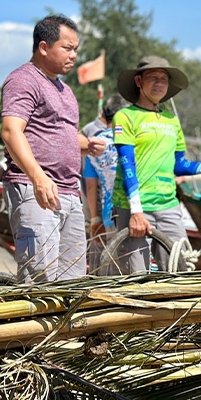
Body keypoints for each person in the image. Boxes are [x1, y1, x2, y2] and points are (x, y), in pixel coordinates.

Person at [112, 56, 201, 273]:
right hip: (133, 207)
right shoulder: (125, 116)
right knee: (136, 277)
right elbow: (128, 166)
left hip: (168, 205)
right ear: (138, 81)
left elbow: (181, 166)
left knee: (179, 270)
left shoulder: (172, 121)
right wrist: (136, 212)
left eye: (163, 79)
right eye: (152, 78)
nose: (159, 83)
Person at [0, 14, 107, 282]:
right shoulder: (24, 80)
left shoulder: (66, 91)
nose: (74, 55)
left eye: (76, 49)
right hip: (37, 190)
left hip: (70, 194)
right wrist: (38, 177)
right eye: (67, 48)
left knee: (72, 284)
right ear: (44, 47)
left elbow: (64, 133)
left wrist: (86, 144)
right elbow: (11, 132)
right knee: (40, 281)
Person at [82, 94, 129, 273]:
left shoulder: (94, 143)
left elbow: (91, 185)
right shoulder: (129, 140)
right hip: (135, 209)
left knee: (113, 265)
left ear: (104, 114)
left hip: (108, 213)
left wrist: (95, 219)